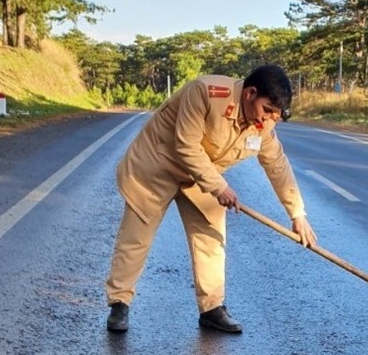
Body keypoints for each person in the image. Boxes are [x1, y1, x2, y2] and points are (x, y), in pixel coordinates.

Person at [105, 64, 317, 334]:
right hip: (157, 165)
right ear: (250, 93)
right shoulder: (205, 92)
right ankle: (119, 304)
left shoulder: (263, 124)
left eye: (274, 115)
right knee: (136, 238)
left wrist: (297, 214)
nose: (266, 121)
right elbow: (186, 145)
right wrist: (219, 188)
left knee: (211, 238)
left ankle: (212, 308)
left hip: (201, 177)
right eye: (266, 110)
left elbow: (277, 164)